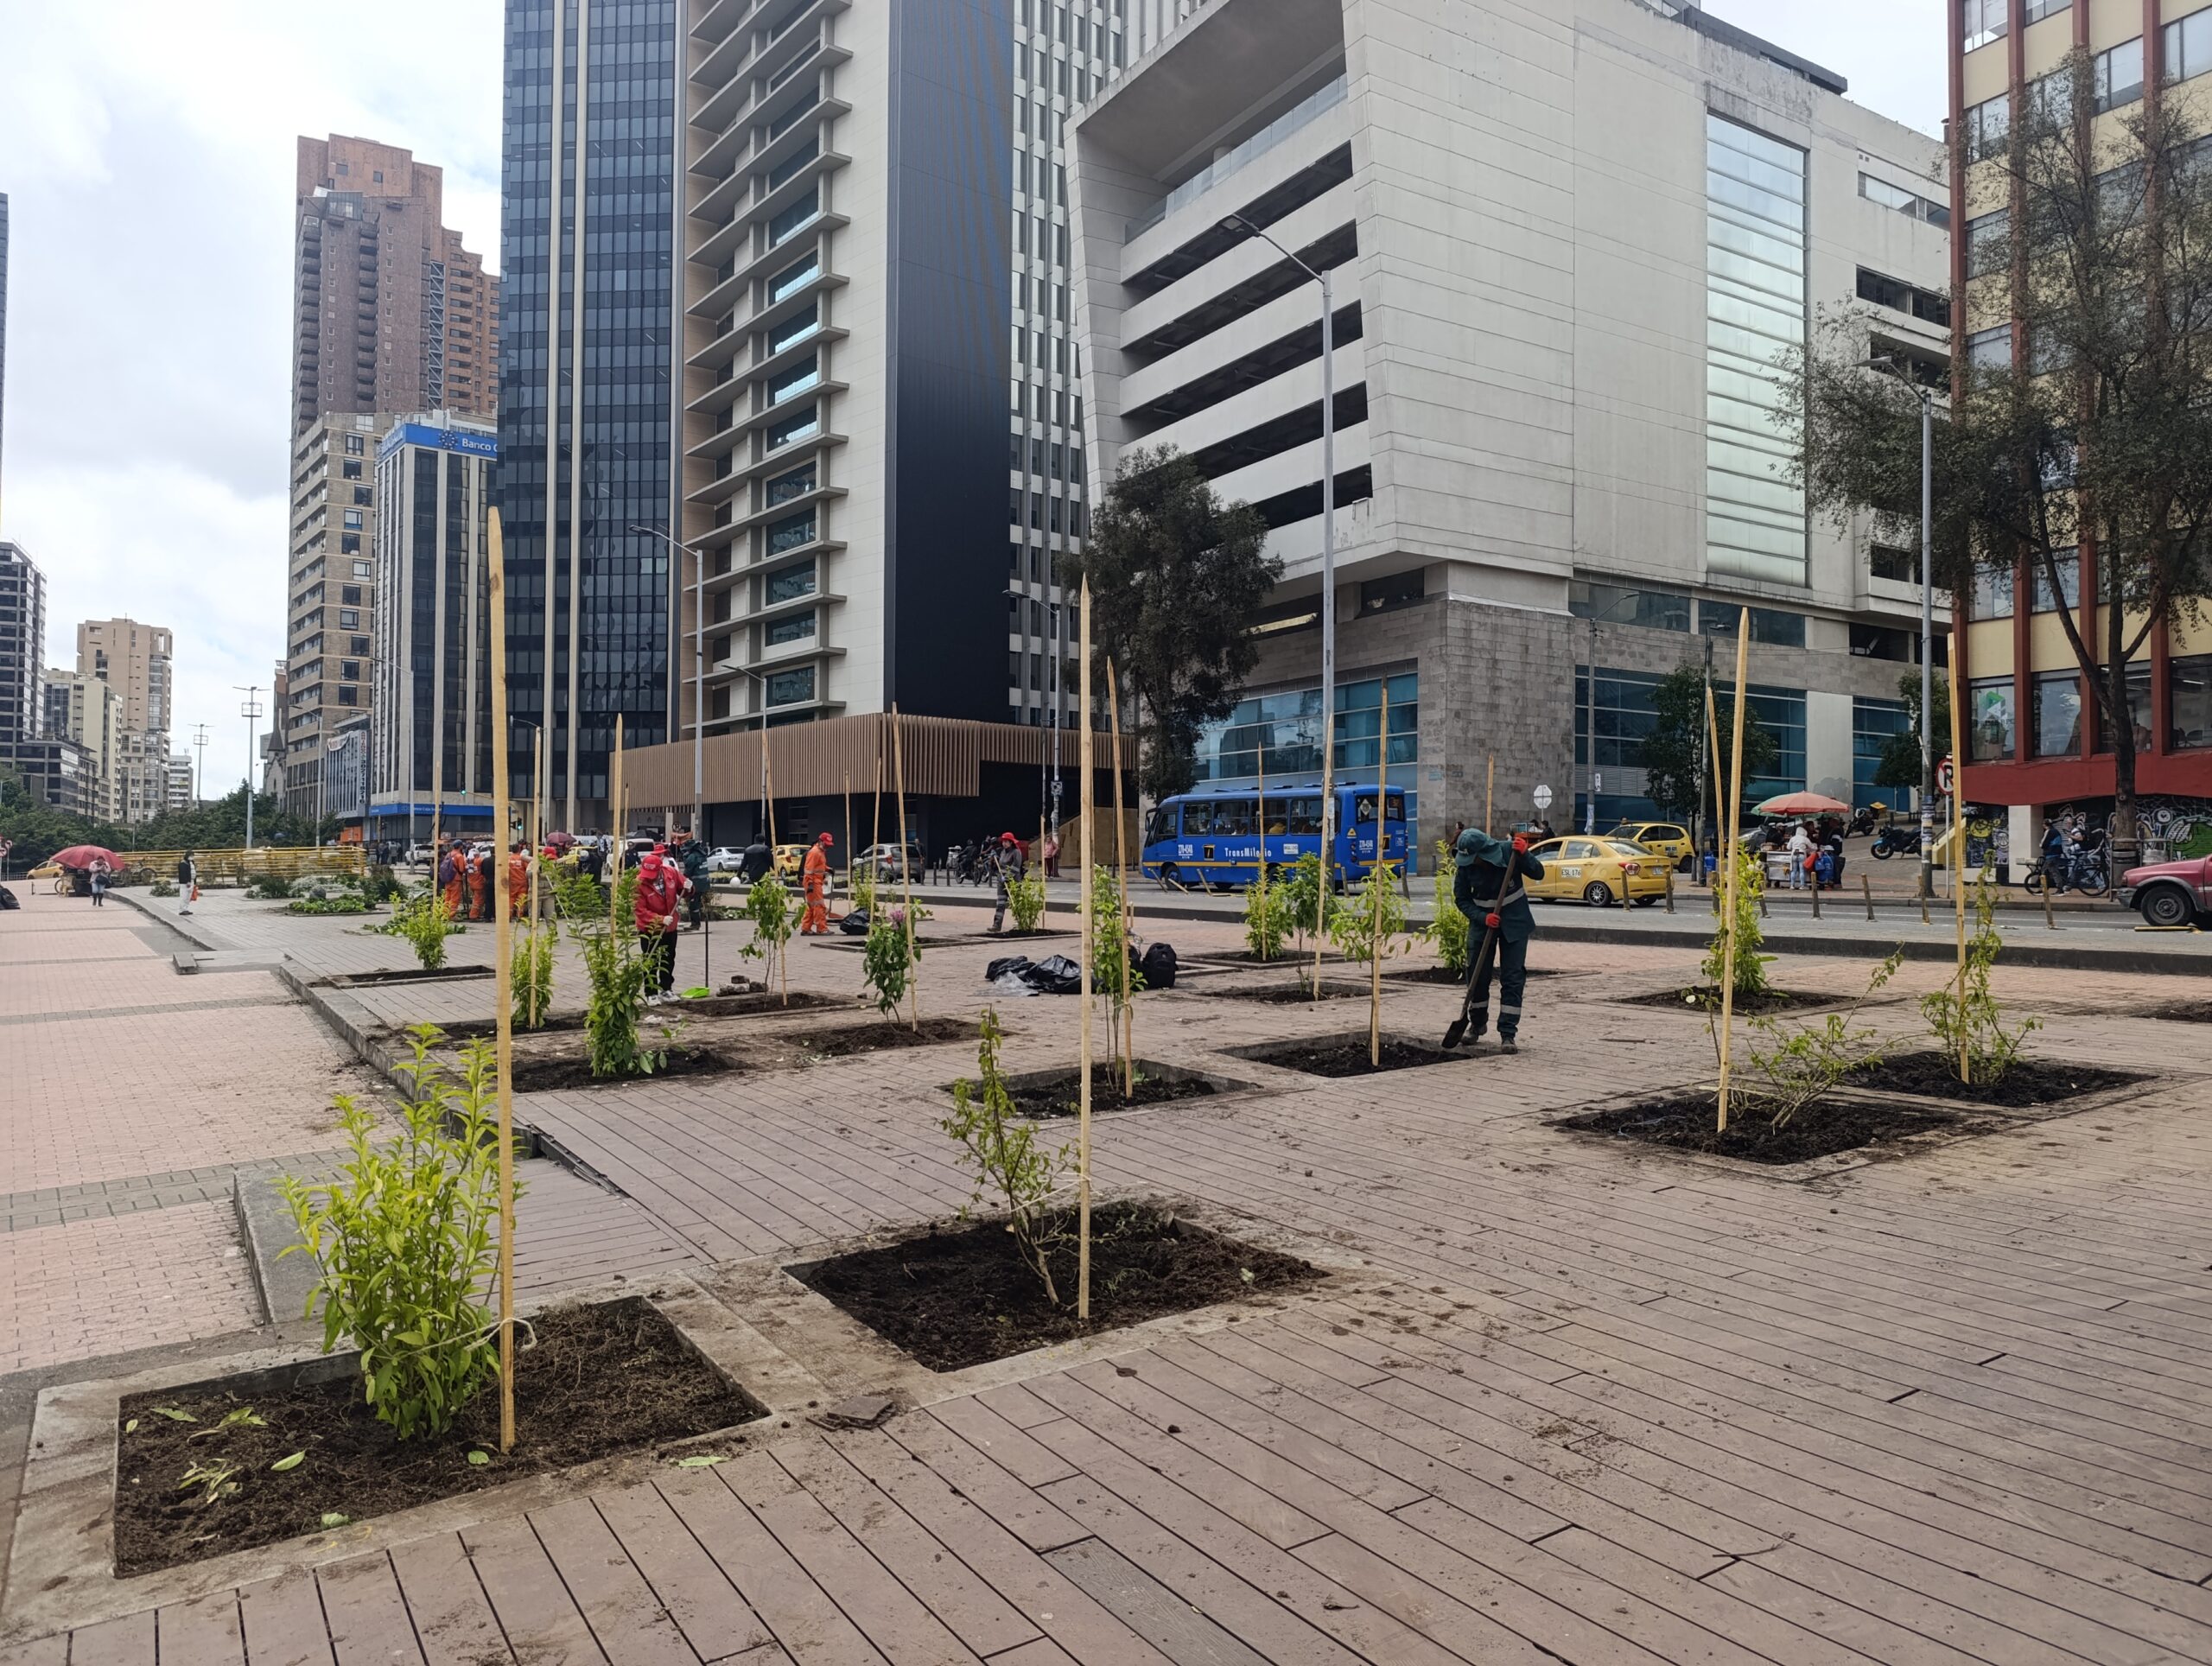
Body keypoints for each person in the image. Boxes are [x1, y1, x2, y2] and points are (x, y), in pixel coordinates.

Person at [1447, 827, 1545, 1052]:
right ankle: (1477, 1024)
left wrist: (1525, 854)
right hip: (1483, 924)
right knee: (1477, 976)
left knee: (1512, 978)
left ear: (1484, 852)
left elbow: (1539, 873)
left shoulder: (1509, 852)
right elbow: (1461, 899)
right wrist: (1483, 917)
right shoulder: (1465, 867)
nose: (1473, 862)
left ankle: (1508, 1033)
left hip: (1515, 921)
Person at [633, 846, 687, 1002]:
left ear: (660, 869)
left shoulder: (671, 873)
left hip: (670, 926)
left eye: (652, 874)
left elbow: (683, 888)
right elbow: (640, 910)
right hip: (649, 928)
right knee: (650, 960)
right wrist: (659, 919)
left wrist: (689, 888)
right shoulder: (638, 884)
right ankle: (651, 993)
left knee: (668, 958)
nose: (649, 877)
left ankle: (666, 989)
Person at [988, 830, 1025, 934]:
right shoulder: (1003, 852)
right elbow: (1000, 866)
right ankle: (996, 925)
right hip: (1001, 881)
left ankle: (1020, 923)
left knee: (1016, 903)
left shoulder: (1016, 852)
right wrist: (994, 859)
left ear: (1011, 842)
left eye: (1006, 841)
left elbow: (1016, 867)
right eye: (1003, 841)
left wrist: (1008, 877)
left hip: (1013, 881)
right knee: (1000, 903)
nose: (1004, 843)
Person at [800, 831, 834, 935]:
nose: (827, 847)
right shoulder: (815, 852)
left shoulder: (820, 852)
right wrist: (810, 883)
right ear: (820, 841)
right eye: (826, 844)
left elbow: (818, 866)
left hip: (814, 881)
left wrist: (828, 869)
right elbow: (808, 869)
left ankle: (806, 929)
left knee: (812, 905)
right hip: (813, 882)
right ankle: (822, 929)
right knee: (819, 905)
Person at [676, 830, 710, 928]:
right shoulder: (701, 855)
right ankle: (697, 922)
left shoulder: (692, 857)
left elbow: (687, 872)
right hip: (704, 884)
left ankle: (695, 924)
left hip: (696, 885)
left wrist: (682, 881)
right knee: (697, 902)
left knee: (693, 904)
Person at [439, 842, 466, 919]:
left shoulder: (449, 854)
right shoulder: (459, 856)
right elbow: (461, 869)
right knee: (455, 898)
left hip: (448, 878)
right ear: (460, 846)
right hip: (456, 879)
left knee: (447, 897)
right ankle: (451, 915)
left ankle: (444, 914)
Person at [1785, 823, 1813, 890]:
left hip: (1794, 854)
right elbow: (1811, 846)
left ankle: (1792, 885)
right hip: (1802, 854)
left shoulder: (1793, 838)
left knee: (1793, 870)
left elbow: (1788, 847)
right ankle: (1802, 885)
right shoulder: (1805, 838)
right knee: (1802, 871)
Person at [176, 849, 198, 916]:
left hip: (191, 881)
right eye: (191, 856)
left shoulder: (191, 862)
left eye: (193, 856)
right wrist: (187, 881)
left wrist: (194, 882)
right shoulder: (183, 863)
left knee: (188, 897)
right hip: (185, 883)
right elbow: (183, 874)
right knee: (184, 896)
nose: (192, 857)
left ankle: (185, 909)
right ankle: (182, 910)